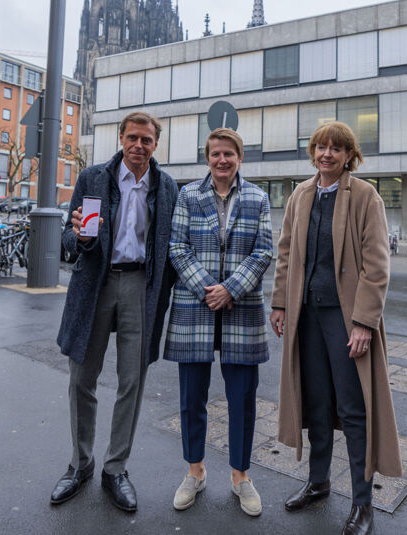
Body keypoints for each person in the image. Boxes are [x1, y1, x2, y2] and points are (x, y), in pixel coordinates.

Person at [270, 122, 402, 535]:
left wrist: (365, 321)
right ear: (313, 152)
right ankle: (319, 481)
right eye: (320, 147)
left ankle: (363, 504)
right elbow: (286, 253)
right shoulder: (300, 195)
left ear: (349, 156)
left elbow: (377, 266)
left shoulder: (364, 196)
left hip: (345, 320)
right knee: (318, 405)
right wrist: (278, 303)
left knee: (353, 408)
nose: (326, 154)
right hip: (306, 316)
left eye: (336, 149)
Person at [53, 111, 179, 513]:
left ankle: (115, 468)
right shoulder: (93, 178)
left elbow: (171, 247)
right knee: (81, 377)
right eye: (132, 138)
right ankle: (80, 463)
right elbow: (70, 239)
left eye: (147, 140)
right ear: (120, 138)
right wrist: (78, 235)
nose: (138, 146)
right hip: (95, 283)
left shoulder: (167, 186)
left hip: (141, 287)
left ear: (155, 145)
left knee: (132, 381)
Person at [164, 128, 273, 516]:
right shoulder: (188, 195)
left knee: (242, 399)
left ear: (239, 157)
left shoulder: (258, 198)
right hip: (195, 307)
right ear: (207, 158)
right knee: (192, 397)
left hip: (240, 309)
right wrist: (208, 288)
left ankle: (240, 476)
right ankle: (194, 471)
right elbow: (177, 246)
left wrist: (230, 290)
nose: (222, 160)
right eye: (215, 154)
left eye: (229, 153)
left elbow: (263, 252)